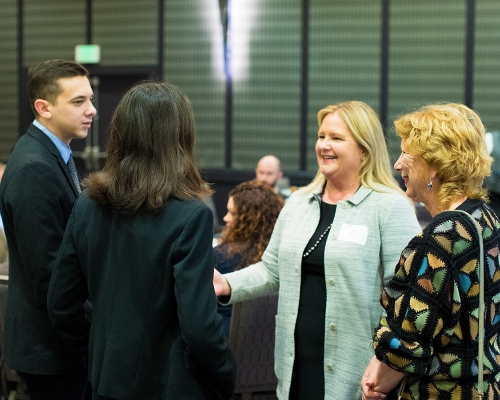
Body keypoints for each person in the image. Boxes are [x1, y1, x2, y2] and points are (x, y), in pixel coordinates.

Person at [214, 100, 421, 399]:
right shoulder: (298, 203)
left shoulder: (389, 207)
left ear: (363, 150)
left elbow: (405, 298)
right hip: (294, 365)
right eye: (321, 136)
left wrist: (386, 366)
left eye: (336, 138)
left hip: (358, 373)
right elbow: (271, 270)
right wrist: (225, 282)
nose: (324, 145)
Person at [47, 81, 237, 400]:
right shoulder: (192, 215)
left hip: (105, 380)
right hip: (171, 386)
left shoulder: (87, 203)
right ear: (181, 137)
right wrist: (227, 371)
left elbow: (61, 305)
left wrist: (98, 353)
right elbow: (199, 326)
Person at [361, 103, 500, 399]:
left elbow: (408, 343)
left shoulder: (440, 238)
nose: (397, 165)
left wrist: (376, 386)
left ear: (434, 165)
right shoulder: (484, 219)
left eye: (405, 154)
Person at [0, 59, 95, 399]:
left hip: (58, 345)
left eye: (91, 99)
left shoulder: (55, 154)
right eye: (79, 101)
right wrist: (90, 342)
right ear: (44, 108)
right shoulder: (34, 168)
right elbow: (51, 278)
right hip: (51, 349)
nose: (92, 110)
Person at [214, 180, 284, 336]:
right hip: (266, 341)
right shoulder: (279, 256)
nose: (225, 218)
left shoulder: (219, 257)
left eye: (232, 212)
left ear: (249, 218)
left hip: (223, 339)